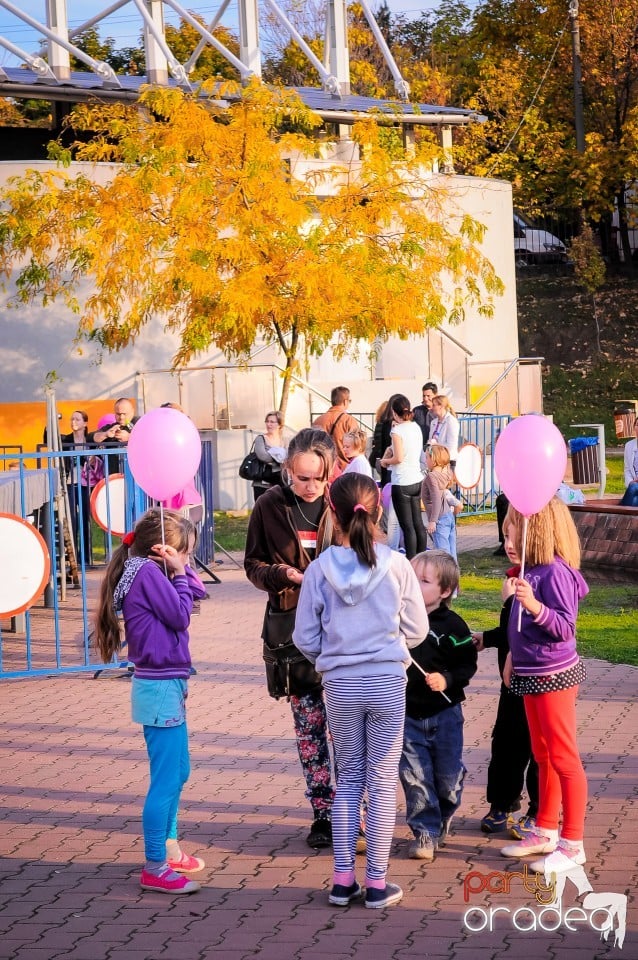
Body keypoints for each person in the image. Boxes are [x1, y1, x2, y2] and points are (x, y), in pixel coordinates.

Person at [293, 473, 428, 909]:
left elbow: (304, 635)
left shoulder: (318, 570)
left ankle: (341, 880)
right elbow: (418, 629)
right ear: (378, 511)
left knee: (348, 779)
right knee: (383, 780)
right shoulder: (398, 565)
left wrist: (329, 657)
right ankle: (375, 883)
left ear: (332, 512)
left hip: (341, 686)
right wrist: (391, 646)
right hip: (387, 682)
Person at [94, 508, 207, 895]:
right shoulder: (145, 574)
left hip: (168, 684)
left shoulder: (146, 571)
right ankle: (155, 864)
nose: (188, 562)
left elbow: (195, 596)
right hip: (158, 687)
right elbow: (180, 615)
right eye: (184, 554)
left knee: (180, 771)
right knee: (165, 780)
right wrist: (178, 574)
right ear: (162, 551)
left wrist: (181, 572)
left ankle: (170, 849)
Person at [244, 428, 337, 849]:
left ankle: (356, 810)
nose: (311, 486)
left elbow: (375, 552)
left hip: (346, 633)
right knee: (310, 727)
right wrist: (280, 575)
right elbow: (252, 564)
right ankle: (323, 813)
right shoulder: (269, 505)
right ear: (287, 470)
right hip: (294, 634)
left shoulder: (345, 501)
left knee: (353, 730)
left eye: (318, 477)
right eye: (302, 478)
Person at [498, 498, 589, 875]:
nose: (508, 540)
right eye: (505, 533)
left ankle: (573, 842)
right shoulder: (529, 570)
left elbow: (565, 627)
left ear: (538, 530)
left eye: (513, 531)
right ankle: (546, 828)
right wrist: (510, 655)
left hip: (554, 676)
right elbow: (519, 623)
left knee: (564, 757)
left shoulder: (554, 573)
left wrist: (536, 606)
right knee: (542, 753)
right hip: (531, 672)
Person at [399, 550, 477, 861]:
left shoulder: (454, 626)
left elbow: (466, 666)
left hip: (445, 714)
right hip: (407, 713)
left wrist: (446, 679)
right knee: (415, 775)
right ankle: (424, 832)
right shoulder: (398, 620)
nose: (415, 585)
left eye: (424, 581)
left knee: (447, 778)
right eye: (411, 578)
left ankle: (444, 812)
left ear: (444, 591)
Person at [471, 516, 539, 839]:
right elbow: (510, 631)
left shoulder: (536, 584)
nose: (508, 545)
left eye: (514, 539)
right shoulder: (515, 578)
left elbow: (531, 629)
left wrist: (511, 600)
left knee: (537, 749)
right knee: (506, 744)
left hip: (537, 683)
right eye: (505, 537)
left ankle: (539, 811)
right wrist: (487, 638)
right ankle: (502, 803)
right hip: (510, 686)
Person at [379, 394, 427, 559]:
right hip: (416, 478)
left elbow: (398, 457)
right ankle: (421, 558)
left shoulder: (396, 431)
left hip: (402, 481)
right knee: (418, 523)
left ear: (394, 412)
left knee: (407, 526)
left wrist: (385, 462)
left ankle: (412, 560)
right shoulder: (415, 427)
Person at [421, 443, 458, 559]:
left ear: (434, 459)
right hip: (448, 516)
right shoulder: (445, 473)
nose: (425, 459)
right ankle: (454, 575)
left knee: (443, 554)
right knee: (452, 552)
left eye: (427, 457)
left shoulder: (431, 477)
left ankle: (446, 576)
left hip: (440, 519)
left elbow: (436, 498)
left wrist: (433, 521)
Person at [313, 386, 358, 474]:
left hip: (322, 469)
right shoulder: (349, 420)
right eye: (349, 401)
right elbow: (357, 446)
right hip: (344, 469)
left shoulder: (318, 420)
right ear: (345, 401)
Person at [93, 398, 140, 474]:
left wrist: (130, 437)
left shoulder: (140, 422)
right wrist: (106, 434)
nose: (121, 417)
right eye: (118, 414)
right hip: (115, 477)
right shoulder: (112, 427)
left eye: (124, 414)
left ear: (132, 412)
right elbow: (93, 437)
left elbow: (151, 437)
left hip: (136, 475)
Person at [252, 410, 288, 501]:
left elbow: (289, 458)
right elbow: (263, 456)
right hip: (262, 483)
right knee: (262, 511)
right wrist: (279, 456)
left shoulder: (284, 440)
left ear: (280, 424)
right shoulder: (261, 439)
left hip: (280, 481)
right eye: (267, 421)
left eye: (272, 422)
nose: (269, 424)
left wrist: (274, 453)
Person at [428, 395, 460, 466]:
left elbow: (451, 446)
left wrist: (436, 445)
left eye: (434, 405)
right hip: (436, 461)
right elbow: (430, 441)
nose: (432, 408)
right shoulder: (433, 422)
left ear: (441, 406)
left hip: (448, 461)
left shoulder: (451, 421)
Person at [412, 382, 438, 447]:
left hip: (435, 449)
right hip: (419, 448)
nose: (425, 399)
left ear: (435, 395)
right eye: (424, 396)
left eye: (428, 396)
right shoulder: (416, 410)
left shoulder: (439, 412)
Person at [620, 417, 638, 506]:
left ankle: (620, 511)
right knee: (634, 501)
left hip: (635, 486)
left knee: (633, 488)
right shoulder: (629, 445)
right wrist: (630, 481)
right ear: (634, 427)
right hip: (634, 483)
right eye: (637, 425)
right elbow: (627, 468)